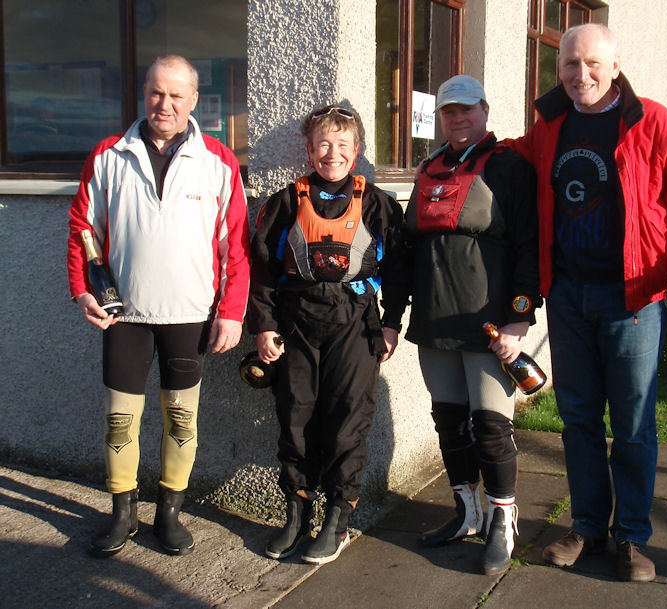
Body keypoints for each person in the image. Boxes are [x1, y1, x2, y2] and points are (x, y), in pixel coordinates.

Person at [505, 24, 667, 581]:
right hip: (570, 297)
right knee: (578, 419)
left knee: (631, 423)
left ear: (615, 63)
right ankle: (586, 526)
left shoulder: (652, 122)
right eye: (569, 66)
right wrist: (465, 145)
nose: (581, 75)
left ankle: (631, 536)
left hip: (635, 300)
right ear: (558, 70)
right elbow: (516, 159)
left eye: (592, 64)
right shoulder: (551, 124)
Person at [67, 55, 250, 558]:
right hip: (123, 315)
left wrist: (232, 311)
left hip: (190, 315)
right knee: (120, 420)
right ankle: (122, 513)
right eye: (155, 93)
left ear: (194, 101)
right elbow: (83, 229)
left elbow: (234, 244)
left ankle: (169, 513)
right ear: (143, 94)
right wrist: (82, 289)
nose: (164, 104)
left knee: (181, 419)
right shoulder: (109, 154)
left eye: (176, 95)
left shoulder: (218, 161)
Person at [247, 104, 408, 565]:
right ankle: (296, 512)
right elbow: (262, 271)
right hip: (297, 322)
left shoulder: (376, 203)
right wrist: (266, 326)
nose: (331, 153)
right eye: (323, 143)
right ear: (309, 148)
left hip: (356, 323)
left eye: (342, 145)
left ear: (356, 151)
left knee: (347, 420)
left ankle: (338, 516)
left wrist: (392, 322)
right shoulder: (285, 202)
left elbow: (398, 269)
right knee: (295, 418)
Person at [406, 75, 541, 575]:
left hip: (489, 324)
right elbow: (408, 248)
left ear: (484, 110)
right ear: (440, 117)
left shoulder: (508, 167)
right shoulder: (428, 168)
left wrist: (519, 317)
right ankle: (467, 511)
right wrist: (394, 318)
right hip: (435, 320)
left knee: (490, 424)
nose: (458, 119)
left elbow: (529, 243)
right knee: (449, 421)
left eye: (466, 110)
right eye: (448, 112)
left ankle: (504, 521)